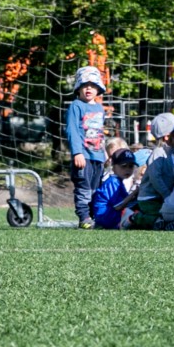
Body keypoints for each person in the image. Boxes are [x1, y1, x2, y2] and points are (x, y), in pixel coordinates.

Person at [127, 114, 174, 230]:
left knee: (171, 213)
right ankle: (134, 217)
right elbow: (155, 178)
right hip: (150, 198)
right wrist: (167, 195)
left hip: (161, 197)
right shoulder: (158, 153)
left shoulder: (171, 154)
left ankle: (172, 223)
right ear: (167, 136)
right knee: (157, 218)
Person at [64, 66, 108, 229]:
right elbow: (72, 130)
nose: (88, 88)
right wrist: (77, 153)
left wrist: (104, 152)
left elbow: (99, 133)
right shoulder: (76, 106)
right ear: (78, 88)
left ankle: (94, 216)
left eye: (92, 85)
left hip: (98, 156)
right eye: (84, 85)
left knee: (96, 189)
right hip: (84, 156)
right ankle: (84, 217)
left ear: (98, 88)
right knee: (83, 187)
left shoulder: (99, 108)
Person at [90, 148, 137, 229]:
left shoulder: (118, 181)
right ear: (114, 167)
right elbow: (118, 206)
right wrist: (134, 193)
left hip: (109, 216)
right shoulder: (113, 182)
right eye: (123, 166)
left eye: (131, 166)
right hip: (106, 217)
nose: (128, 169)